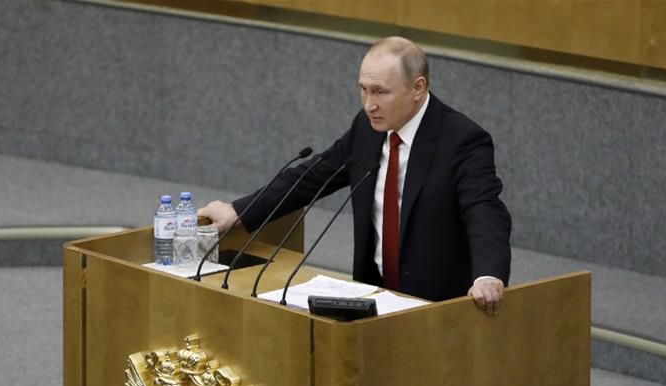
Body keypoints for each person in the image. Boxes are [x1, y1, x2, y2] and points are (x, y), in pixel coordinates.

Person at [199, 37, 511, 315]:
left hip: (434, 307)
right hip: (371, 299)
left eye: (380, 92)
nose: (369, 104)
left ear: (418, 87)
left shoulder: (462, 139)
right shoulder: (368, 128)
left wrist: (488, 275)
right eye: (363, 89)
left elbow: (484, 211)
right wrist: (239, 211)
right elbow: (313, 176)